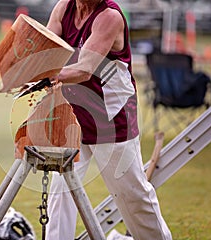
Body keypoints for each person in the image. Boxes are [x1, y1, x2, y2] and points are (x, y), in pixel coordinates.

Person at [45, 0, 173, 239]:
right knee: (61, 192)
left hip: (111, 119)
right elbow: (46, 48)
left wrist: (45, 75)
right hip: (74, 113)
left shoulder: (110, 16)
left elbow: (84, 69)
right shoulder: (64, 7)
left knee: (132, 197)